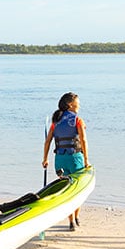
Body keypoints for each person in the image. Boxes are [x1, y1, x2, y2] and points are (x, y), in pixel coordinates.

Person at [42, 92, 90, 231]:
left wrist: (45, 159)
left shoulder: (55, 121)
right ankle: (75, 217)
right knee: (78, 191)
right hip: (75, 159)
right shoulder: (77, 120)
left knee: (67, 190)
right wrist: (86, 160)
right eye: (77, 102)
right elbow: (84, 140)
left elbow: (48, 141)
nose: (79, 105)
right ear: (70, 104)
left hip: (60, 161)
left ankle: (71, 222)